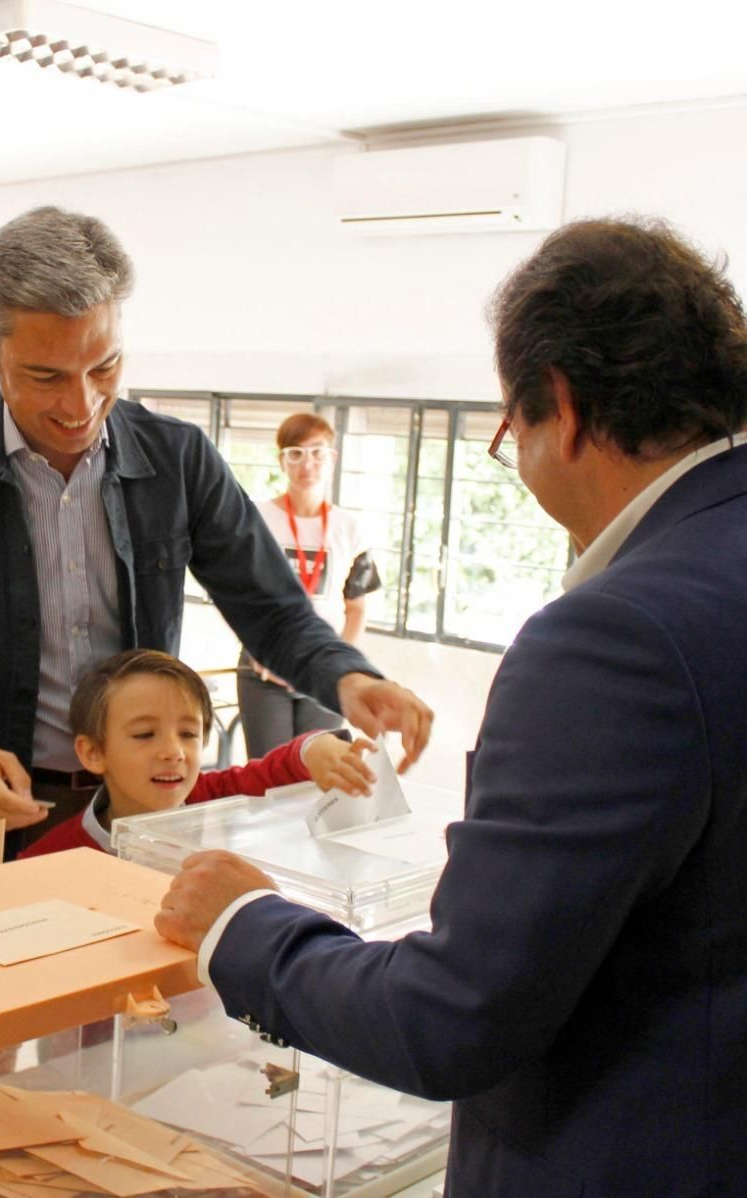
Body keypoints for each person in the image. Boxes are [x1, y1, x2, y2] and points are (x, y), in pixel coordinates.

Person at [155, 218, 747, 1195]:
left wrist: (243, 923)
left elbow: (453, 1015)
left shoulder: (613, 638)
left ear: (558, 400)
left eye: (508, 430)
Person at [0, 205, 431, 852]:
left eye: (104, 367)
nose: (81, 406)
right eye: (46, 377)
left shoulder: (178, 461)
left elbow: (273, 612)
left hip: (140, 816)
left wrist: (349, 677)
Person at [20, 649, 373, 858]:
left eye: (189, 733)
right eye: (145, 734)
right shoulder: (50, 858)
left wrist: (317, 748)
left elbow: (274, 770)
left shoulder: (208, 796)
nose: (173, 752)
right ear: (93, 752)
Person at [236, 413, 381, 757]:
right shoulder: (256, 517)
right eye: (296, 453)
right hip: (264, 667)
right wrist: (259, 649)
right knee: (268, 774)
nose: (307, 464)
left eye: (317, 453)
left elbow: (356, 608)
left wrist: (340, 665)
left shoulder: (349, 528)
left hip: (323, 666)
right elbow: (240, 596)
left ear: (332, 458)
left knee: (317, 777)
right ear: (282, 461)